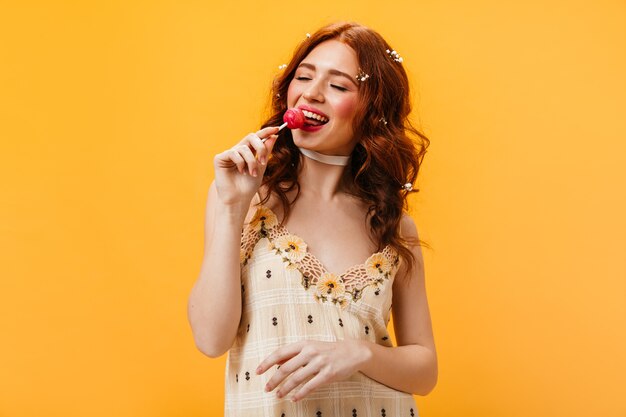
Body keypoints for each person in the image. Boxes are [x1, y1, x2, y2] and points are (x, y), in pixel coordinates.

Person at [188, 21, 437, 416]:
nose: (311, 93)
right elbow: (210, 338)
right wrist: (232, 207)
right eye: (303, 77)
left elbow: (424, 371)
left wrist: (358, 353)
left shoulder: (394, 227)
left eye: (338, 86)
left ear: (373, 111)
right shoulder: (244, 200)